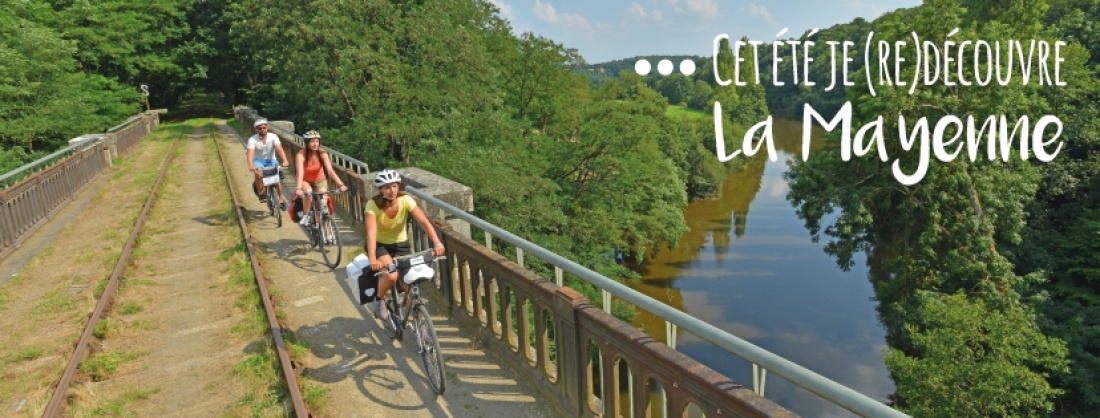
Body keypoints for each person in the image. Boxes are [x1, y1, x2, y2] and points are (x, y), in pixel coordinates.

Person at [365, 169, 445, 320]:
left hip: (401, 244)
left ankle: (421, 324)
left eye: (394, 186)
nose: (392, 191)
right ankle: (380, 300)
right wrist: (372, 259)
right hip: (380, 245)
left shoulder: (405, 200)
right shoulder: (372, 205)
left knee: (409, 280)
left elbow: (423, 221)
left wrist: (437, 243)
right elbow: (371, 233)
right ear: (380, 189)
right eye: (387, 187)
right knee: (392, 275)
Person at [293, 130, 347, 229]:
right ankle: (306, 216)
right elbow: (300, 172)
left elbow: (330, 171)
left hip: (319, 180)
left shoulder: (322, 153)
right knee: (308, 192)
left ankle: (327, 230)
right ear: (307, 142)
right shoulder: (301, 155)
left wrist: (341, 184)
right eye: (312, 141)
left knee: (323, 205)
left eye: (317, 141)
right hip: (305, 180)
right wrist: (299, 188)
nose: (315, 144)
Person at [246, 118, 290, 210]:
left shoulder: (273, 137)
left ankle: (281, 199)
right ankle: (261, 193)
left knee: (277, 179)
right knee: (258, 173)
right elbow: (250, 154)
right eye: (259, 128)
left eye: (264, 127)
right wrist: (251, 165)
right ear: (256, 130)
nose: (262, 130)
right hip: (258, 161)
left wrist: (285, 160)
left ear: (267, 128)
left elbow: (279, 149)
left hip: (271, 160)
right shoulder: (252, 140)